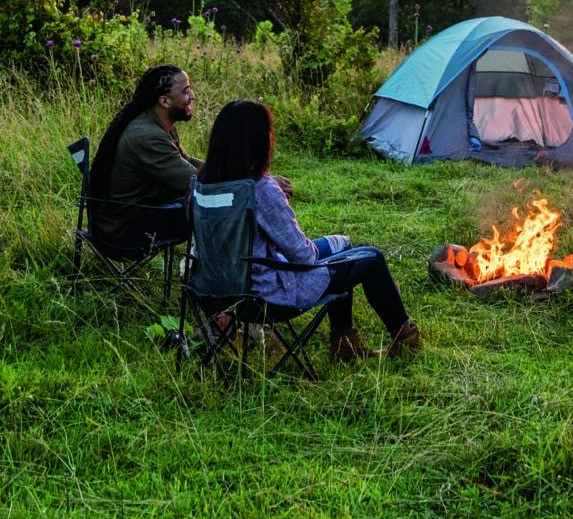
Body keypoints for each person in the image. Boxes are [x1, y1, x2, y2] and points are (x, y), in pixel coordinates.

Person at [198, 99, 421, 362]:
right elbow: (304, 257)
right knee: (371, 259)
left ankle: (345, 342)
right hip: (265, 295)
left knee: (343, 246)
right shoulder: (261, 190)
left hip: (218, 289)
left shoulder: (204, 184)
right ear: (258, 141)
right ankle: (405, 339)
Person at [87, 64, 200, 255]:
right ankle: (214, 277)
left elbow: (186, 161)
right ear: (164, 101)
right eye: (186, 91)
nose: (192, 96)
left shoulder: (157, 122)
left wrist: (237, 172)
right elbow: (194, 180)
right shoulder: (148, 136)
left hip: (130, 218)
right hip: (123, 233)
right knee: (215, 209)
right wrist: (242, 180)